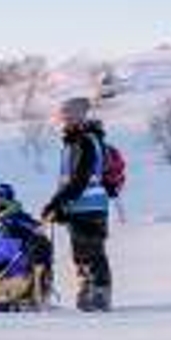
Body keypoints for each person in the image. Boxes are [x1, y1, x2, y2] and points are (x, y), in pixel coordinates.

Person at [42, 94, 117, 311]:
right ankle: (87, 292)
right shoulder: (72, 143)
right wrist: (63, 207)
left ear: (79, 117)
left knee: (92, 252)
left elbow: (80, 179)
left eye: (68, 116)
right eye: (62, 117)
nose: (63, 121)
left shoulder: (85, 142)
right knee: (81, 254)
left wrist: (56, 203)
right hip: (79, 206)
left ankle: (100, 295)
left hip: (91, 207)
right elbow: (71, 180)